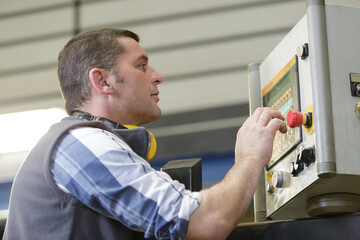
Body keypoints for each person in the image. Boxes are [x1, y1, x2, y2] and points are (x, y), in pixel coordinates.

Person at [3, 28, 286, 240]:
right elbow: (204, 221)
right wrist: (249, 157)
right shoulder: (80, 143)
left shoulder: (90, 143)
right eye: (141, 65)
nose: (157, 75)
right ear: (102, 80)